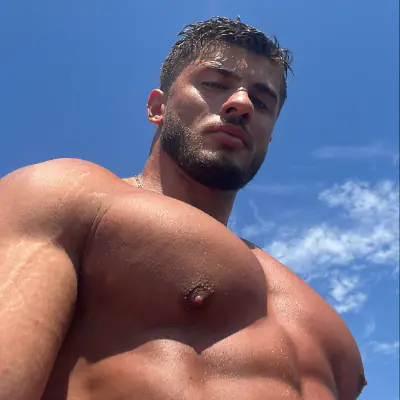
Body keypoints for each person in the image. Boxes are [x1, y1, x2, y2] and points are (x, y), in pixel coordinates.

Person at [0, 17, 366, 400]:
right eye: (214, 84)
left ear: (270, 135)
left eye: (261, 102)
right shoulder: (69, 195)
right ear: (157, 107)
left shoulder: (324, 322)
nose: (242, 104)